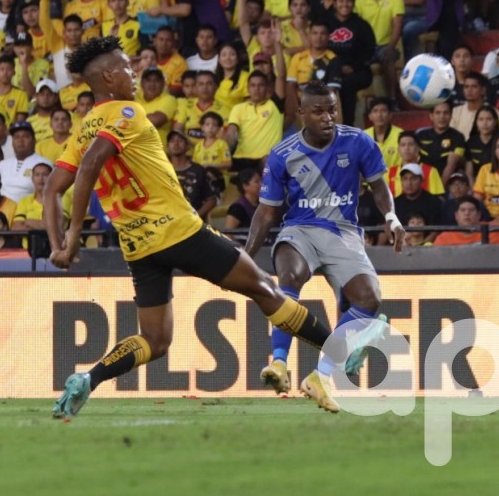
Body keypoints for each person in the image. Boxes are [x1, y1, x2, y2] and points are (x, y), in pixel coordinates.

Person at [43, 37, 336, 417]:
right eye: (128, 68)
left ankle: (88, 379)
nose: (134, 74)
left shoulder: (82, 130)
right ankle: (338, 348)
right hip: (178, 232)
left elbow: (52, 189)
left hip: (139, 246)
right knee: (264, 288)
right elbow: (91, 166)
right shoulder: (126, 113)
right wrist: (72, 236)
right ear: (111, 76)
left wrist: (60, 246)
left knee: (155, 339)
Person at [244, 81, 403, 412]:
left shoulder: (358, 142)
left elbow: (378, 186)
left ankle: (321, 376)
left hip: (344, 232)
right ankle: (278, 363)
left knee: (370, 299)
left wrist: (391, 216)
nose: (327, 117)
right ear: (301, 113)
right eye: (318, 111)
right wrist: (246, 255)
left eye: (332, 109)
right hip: (300, 229)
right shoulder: (282, 155)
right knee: (289, 275)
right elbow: (268, 210)